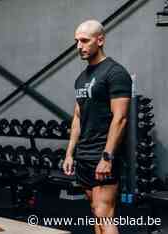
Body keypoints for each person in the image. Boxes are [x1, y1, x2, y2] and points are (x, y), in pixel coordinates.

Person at [63, 20, 132, 234]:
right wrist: (69, 153)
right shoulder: (81, 79)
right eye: (76, 41)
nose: (79, 47)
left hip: (102, 153)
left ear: (100, 40)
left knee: (105, 213)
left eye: (84, 41)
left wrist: (107, 157)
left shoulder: (115, 72)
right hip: (84, 154)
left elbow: (120, 118)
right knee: (95, 210)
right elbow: (77, 117)